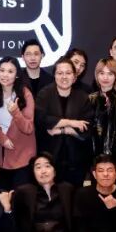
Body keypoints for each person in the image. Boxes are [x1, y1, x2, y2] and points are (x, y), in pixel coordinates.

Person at [35, 58, 93, 187]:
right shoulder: (44, 94)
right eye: (60, 73)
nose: (64, 77)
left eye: (68, 73)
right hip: (49, 158)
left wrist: (63, 130)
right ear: (54, 75)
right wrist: (71, 123)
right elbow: (41, 120)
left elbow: (86, 128)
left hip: (76, 160)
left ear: (74, 76)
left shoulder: (83, 97)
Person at [0, 56, 36, 188]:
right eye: (2, 70)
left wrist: (15, 112)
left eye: (10, 71)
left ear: (17, 75)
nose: (5, 75)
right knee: (3, 195)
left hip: (23, 155)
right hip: (1, 156)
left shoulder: (25, 94)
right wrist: (2, 138)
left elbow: (28, 128)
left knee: (22, 195)